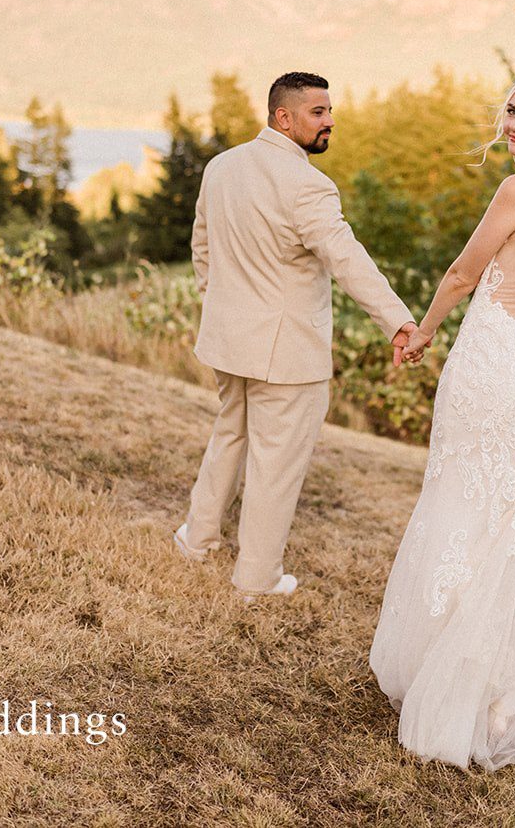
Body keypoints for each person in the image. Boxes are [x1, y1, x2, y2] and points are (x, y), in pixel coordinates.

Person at [370, 69, 515, 770]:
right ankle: (497, 690)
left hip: (494, 364)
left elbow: (465, 273)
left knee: (465, 508)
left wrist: (424, 331)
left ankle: (451, 685)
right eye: (512, 109)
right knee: (514, 525)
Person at [174, 71, 419, 600]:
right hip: (286, 355)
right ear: (283, 117)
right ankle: (257, 578)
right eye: (318, 112)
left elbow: (202, 246)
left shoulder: (222, 166)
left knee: (230, 436)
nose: (330, 121)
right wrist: (397, 320)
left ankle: (198, 539)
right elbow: (347, 260)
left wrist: (219, 302)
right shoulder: (308, 184)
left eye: (330, 111)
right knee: (276, 465)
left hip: (227, 339)